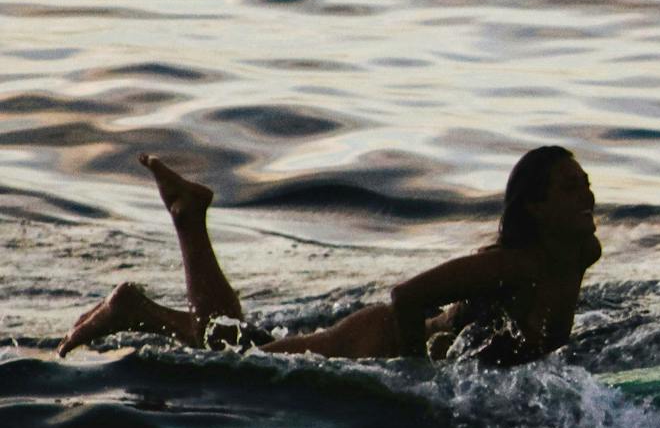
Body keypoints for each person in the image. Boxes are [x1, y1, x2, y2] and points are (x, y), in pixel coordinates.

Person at [60, 146, 602, 366]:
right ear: (535, 209)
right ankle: (144, 298)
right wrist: (417, 377)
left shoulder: (578, 254)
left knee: (239, 344)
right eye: (571, 189)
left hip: (382, 347)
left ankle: (186, 223)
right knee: (235, 364)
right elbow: (407, 296)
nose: (589, 197)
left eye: (587, 184)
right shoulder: (514, 266)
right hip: (365, 348)